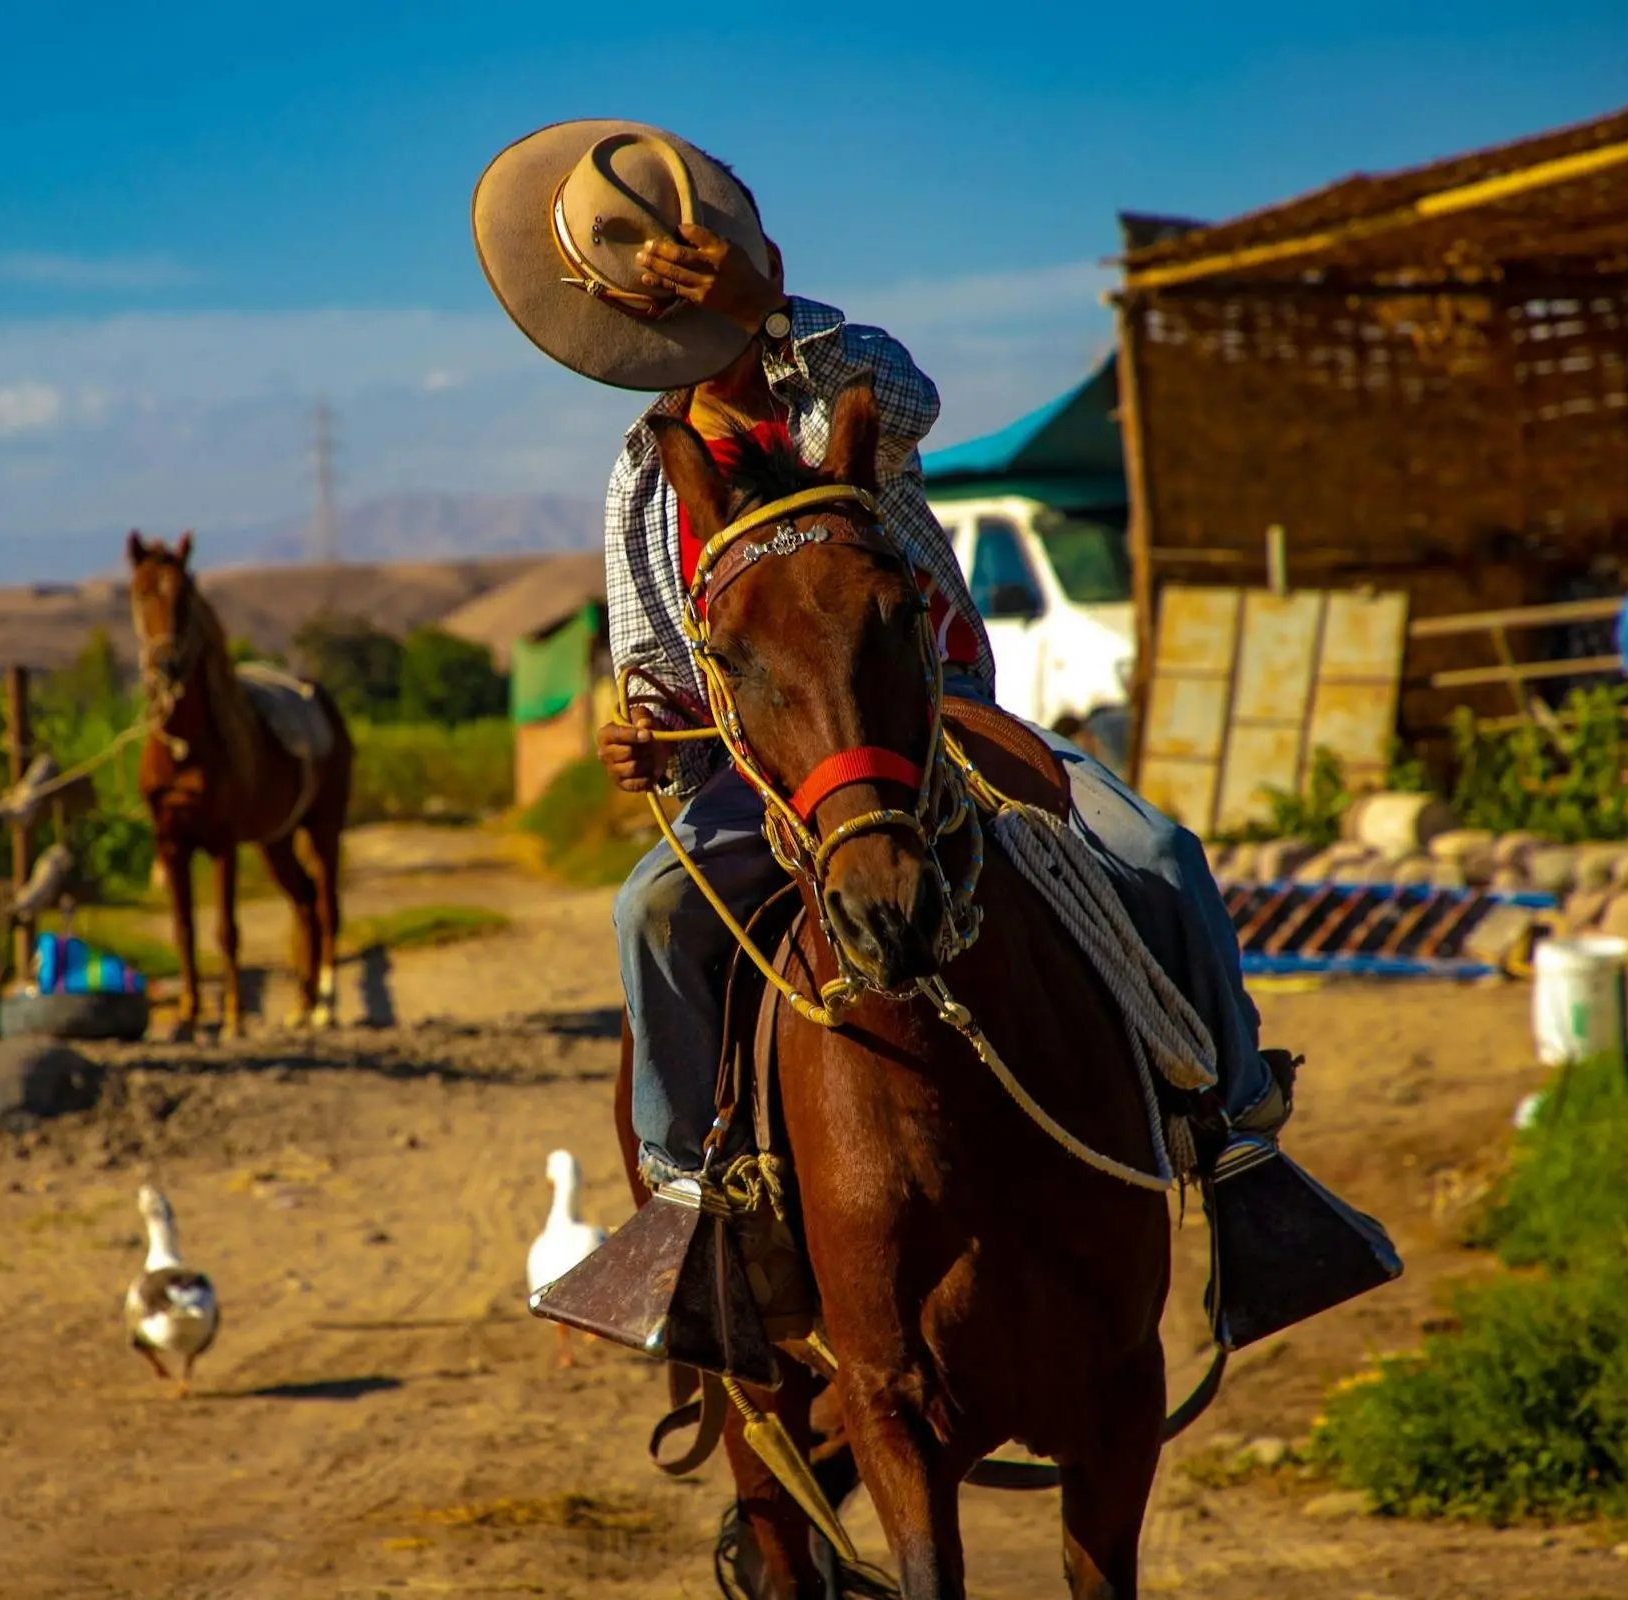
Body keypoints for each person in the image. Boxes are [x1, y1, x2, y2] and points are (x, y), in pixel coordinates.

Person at [472, 121, 1287, 1195]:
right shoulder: (643, 481)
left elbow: (912, 400)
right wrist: (649, 742)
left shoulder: (828, 390)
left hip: (939, 714)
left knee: (1160, 856)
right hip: (765, 760)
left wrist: (763, 309)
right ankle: (681, 1191)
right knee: (649, 914)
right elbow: (658, 669)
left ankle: (1236, 1142)